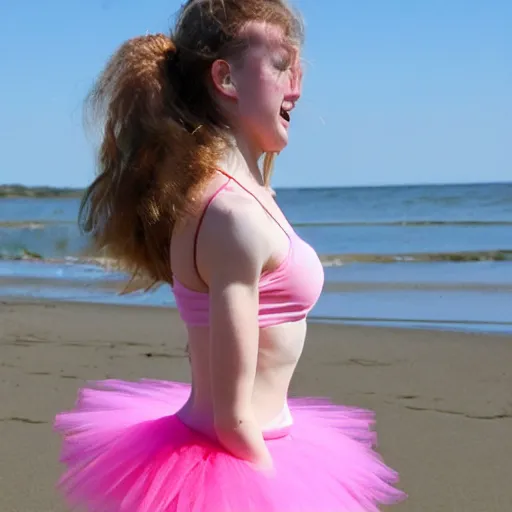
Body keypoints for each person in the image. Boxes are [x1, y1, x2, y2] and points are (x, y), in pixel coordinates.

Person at [54, 0, 406, 510]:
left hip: (261, 439)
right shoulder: (230, 215)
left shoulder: (243, 195)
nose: (298, 86)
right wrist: (274, 492)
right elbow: (232, 417)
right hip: (239, 454)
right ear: (226, 79)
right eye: (282, 65)